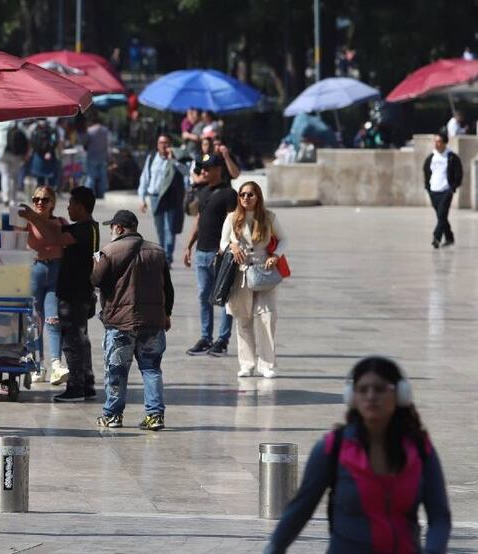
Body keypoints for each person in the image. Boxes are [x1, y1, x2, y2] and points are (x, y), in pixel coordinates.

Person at [266, 357, 451, 553]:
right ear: (352, 396)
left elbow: (439, 516)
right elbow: (301, 509)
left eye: (380, 389)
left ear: (400, 394)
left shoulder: (420, 449)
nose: (370, 396)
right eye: (362, 389)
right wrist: (274, 548)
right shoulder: (332, 448)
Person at [91, 210, 172, 430]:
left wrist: (95, 262)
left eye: (112, 227)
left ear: (118, 228)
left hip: (120, 323)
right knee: (152, 369)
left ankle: (112, 415)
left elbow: (96, 280)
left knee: (116, 370)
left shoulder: (109, 252)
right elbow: (168, 287)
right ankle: (155, 415)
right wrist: (166, 314)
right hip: (153, 322)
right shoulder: (157, 252)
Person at [21, 186, 99, 402]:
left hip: (74, 293)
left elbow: (54, 237)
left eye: (71, 204)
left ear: (81, 207)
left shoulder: (82, 230)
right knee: (81, 339)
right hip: (81, 292)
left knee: (72, 342)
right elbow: (54, 231)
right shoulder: (88, 227)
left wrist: (33, 217)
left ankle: (76, 387)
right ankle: (87, 383)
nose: (68, 208)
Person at [221, 181, 286, 378]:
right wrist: (232, 246)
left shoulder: (269, 217)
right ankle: (247, 364)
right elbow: (222, 242)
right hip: (240, 273)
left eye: (250, 194)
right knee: (243, 319)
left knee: (267, 317)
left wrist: (276, 256)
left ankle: (267, 365)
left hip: (264, 271)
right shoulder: (232, 217)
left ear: (258, 196)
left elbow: (284, 239)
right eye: (242, 194)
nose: (246, 198)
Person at [183, 154, 237, 357]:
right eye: (202, 168)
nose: (203, 171)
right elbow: (199, 219)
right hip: (201, 252)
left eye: (207, 168)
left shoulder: (229, 194)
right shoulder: (204, 191)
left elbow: (235, 224)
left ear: (218, 169)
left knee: (223, 296)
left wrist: (227, 249)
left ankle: (222, 340)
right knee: (203, 296)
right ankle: (206, 338)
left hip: (219, 252)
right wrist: (189, 245)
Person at [20, 185, 66, 385]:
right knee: (34, 319)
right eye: (36, 199)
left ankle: (56, 363)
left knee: (53, 319)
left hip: (56, 272)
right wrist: (1, 223)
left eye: (45, 199)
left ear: (52, 203)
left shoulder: (60, 222)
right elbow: (12, 233)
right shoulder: (27, 223)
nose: (40, 202)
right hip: (35, 270)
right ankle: (37, 365)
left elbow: (60, 236)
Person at [137, 134, 185, 265]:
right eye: (161, 143)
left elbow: (186, 172)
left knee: (170, 228)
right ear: (157, 145)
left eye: (166, 143)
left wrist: (173, 160)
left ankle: (167, 257)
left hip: (170, 196)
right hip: (155, 197)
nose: (164, 145)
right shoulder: (152, 157)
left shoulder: (176, 158)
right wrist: (142, 198)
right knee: (160, 228)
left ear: (170, 145)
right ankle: (162, 252)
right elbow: (145, 178)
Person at [423, 131, 463, 249]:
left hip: (446, 191)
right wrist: (428, 187)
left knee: (442, 214)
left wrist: (453, 187)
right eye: (435, 142)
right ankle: (449, 237)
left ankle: (436, 237)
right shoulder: (431, 157)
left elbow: (458, 173)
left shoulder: (451, 157)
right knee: (442, 216)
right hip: (433, 191)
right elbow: (426, 172)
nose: (437, 144)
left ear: (445, 143)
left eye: (439, 142)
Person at [0, 120, 27, 205]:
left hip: (1, 151)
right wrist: (25, 153)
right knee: (14, 176)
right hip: (16, 153)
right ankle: (13, 199)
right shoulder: (18, 124)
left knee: (5, 175)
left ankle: (6, 196)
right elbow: (26, 138)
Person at [83, 112, 111, 199]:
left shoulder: (90, 130)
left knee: (91, 176)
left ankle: (87, 194)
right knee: (103, 176)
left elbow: (85, 143)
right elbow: (108, 144)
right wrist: (109, 156)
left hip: (92, 156)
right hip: (102, 157)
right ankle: (101, 194)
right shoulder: (105, 130)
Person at [27, 119, 60, 188]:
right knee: (41, 179)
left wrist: (49, 152)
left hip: (46, 155)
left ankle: (49, 191)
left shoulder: (51, 129)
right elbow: (32, 142)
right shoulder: (35, 129)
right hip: (40, 155)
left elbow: (54, 141)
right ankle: (43, 192)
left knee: (49, 178)